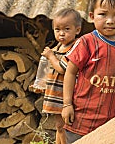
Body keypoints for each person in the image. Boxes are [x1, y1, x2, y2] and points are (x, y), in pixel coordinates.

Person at [61, 0, 115, 143]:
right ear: (92, 16)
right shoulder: (86, 42)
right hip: (80, 120)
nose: (110, 21)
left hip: (110, 121)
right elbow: (70, 72)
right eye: (103, 14)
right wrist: (66, 104)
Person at [33, 8, 82, 144]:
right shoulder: (58, 47)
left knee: (65, 127)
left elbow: (61, 69)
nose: (61, 34)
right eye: (57, 30)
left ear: (77, 30)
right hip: (55, 94)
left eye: (66, 29)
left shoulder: (75, 47)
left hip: (66, 96)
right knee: (59, 126)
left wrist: (50, 56)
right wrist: (41, 84)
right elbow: (48, 71)